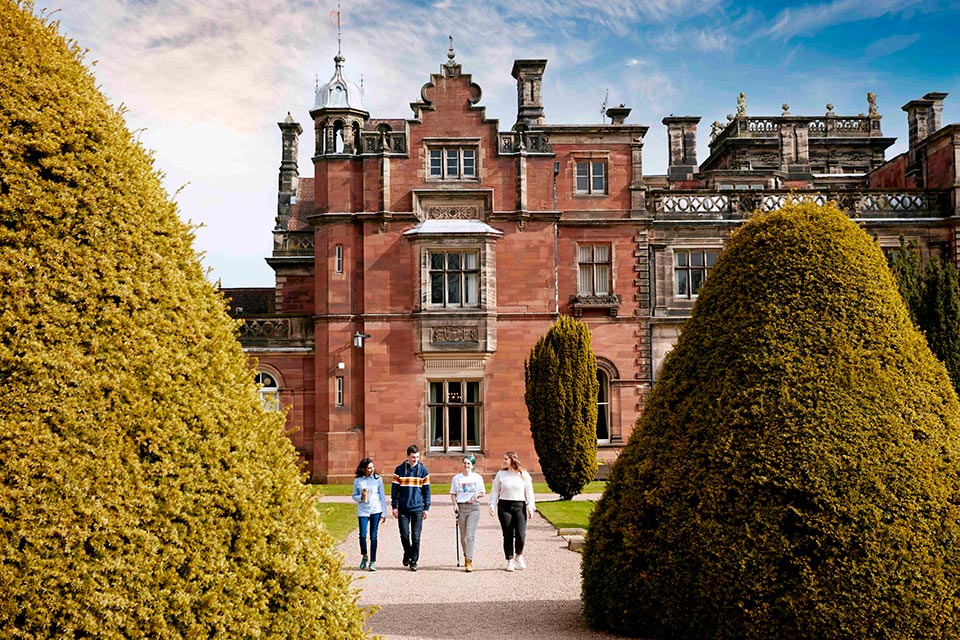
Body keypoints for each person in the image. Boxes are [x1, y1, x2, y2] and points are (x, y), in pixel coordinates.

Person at [488, 451, 536, 572]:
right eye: (504, 459)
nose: (504, 461)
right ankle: (509, 560)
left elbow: (529, 492)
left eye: (506, 459)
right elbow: (495, 491)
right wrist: (492, 504)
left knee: (521, 534)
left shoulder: (523, 474)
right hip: (504, 506)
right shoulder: (501, 474)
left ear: (512, 460)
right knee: (508, 534)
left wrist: (531, 506)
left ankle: (518, 555)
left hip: (519, 505)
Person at [391, 444, 431, 571]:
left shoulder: (423, 471)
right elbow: (394, 490)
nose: (415, 460)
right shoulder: (399, 470)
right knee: (404, 535)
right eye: (413, 457)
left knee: (416, 537)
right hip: (403, 508)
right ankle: (407, 552)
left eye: (417, 457)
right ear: (407, 456)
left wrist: (426, 508)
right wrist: (394, 506)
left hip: (417, 508)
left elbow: (427, 491)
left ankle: (414, 560)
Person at [449, 455, 486, 572]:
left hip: (473, 508)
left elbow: (483, 492)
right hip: (461, 507)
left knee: (470, 536)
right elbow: (453, 494)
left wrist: (476, 495)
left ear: (473, 465)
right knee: (463, 538)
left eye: (469, 463)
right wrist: (454, 504)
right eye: (465, 463)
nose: (466, 465)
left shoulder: (477, 478)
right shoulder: (457, 478)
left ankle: (469, 561)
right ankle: (466, 555)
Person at [352, 457, 386, 572]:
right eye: (369, 468)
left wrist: (384, 513)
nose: (371, 470)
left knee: (373, 536)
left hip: (376, 509)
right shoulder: (358, 481)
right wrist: (360, 497)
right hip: (363, 510)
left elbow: (382, 496)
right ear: (363, 469)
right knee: (362, 535)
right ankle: (364, 555)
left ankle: (372, 561)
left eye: (372, 467)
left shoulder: (378, 479)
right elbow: (354, 495)